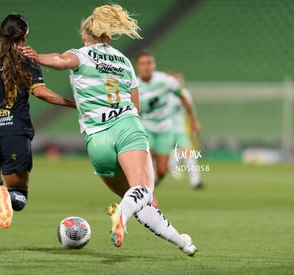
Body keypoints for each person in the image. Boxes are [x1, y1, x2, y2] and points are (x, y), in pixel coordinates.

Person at [20, 4, 197, 256]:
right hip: (126, 126)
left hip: (96, 138)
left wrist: (35, 57)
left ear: (85, 36)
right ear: (109, 36)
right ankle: (122, 213)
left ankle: (182, 242)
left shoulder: (80, 55)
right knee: (142, 192)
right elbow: (135, 105)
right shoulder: (124, 61)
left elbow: (60, 61)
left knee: (135, 196)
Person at [0, 14, 76, 254]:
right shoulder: (28, 61)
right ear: (23, 37)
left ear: (0, 34)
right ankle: (9, 198)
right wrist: (73, 103)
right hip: (15, 132)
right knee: (19, 196)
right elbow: (42, 94)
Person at [135, 51, 200, 189]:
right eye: (142, 63)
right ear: (137, 66)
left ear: (154, 65)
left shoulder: (165, 81)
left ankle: (148, 191)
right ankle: (142, 193)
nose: (146, 66)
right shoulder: (133, 84)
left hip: (165, 128)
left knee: (162, 171)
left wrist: (193, 120)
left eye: (149, 63)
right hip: (145, 126)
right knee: (148, 158)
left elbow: (183, 97)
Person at [167, 72, 205, 189]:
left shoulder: (185, 94)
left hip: (179, 129)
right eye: (176, 80)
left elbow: (189, 111)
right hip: (164, 129)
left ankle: (196, 182)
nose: (179, 82)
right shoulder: (165, 94)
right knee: (159, 156)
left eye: (180, 80)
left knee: (188, 153)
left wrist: (194, 123)